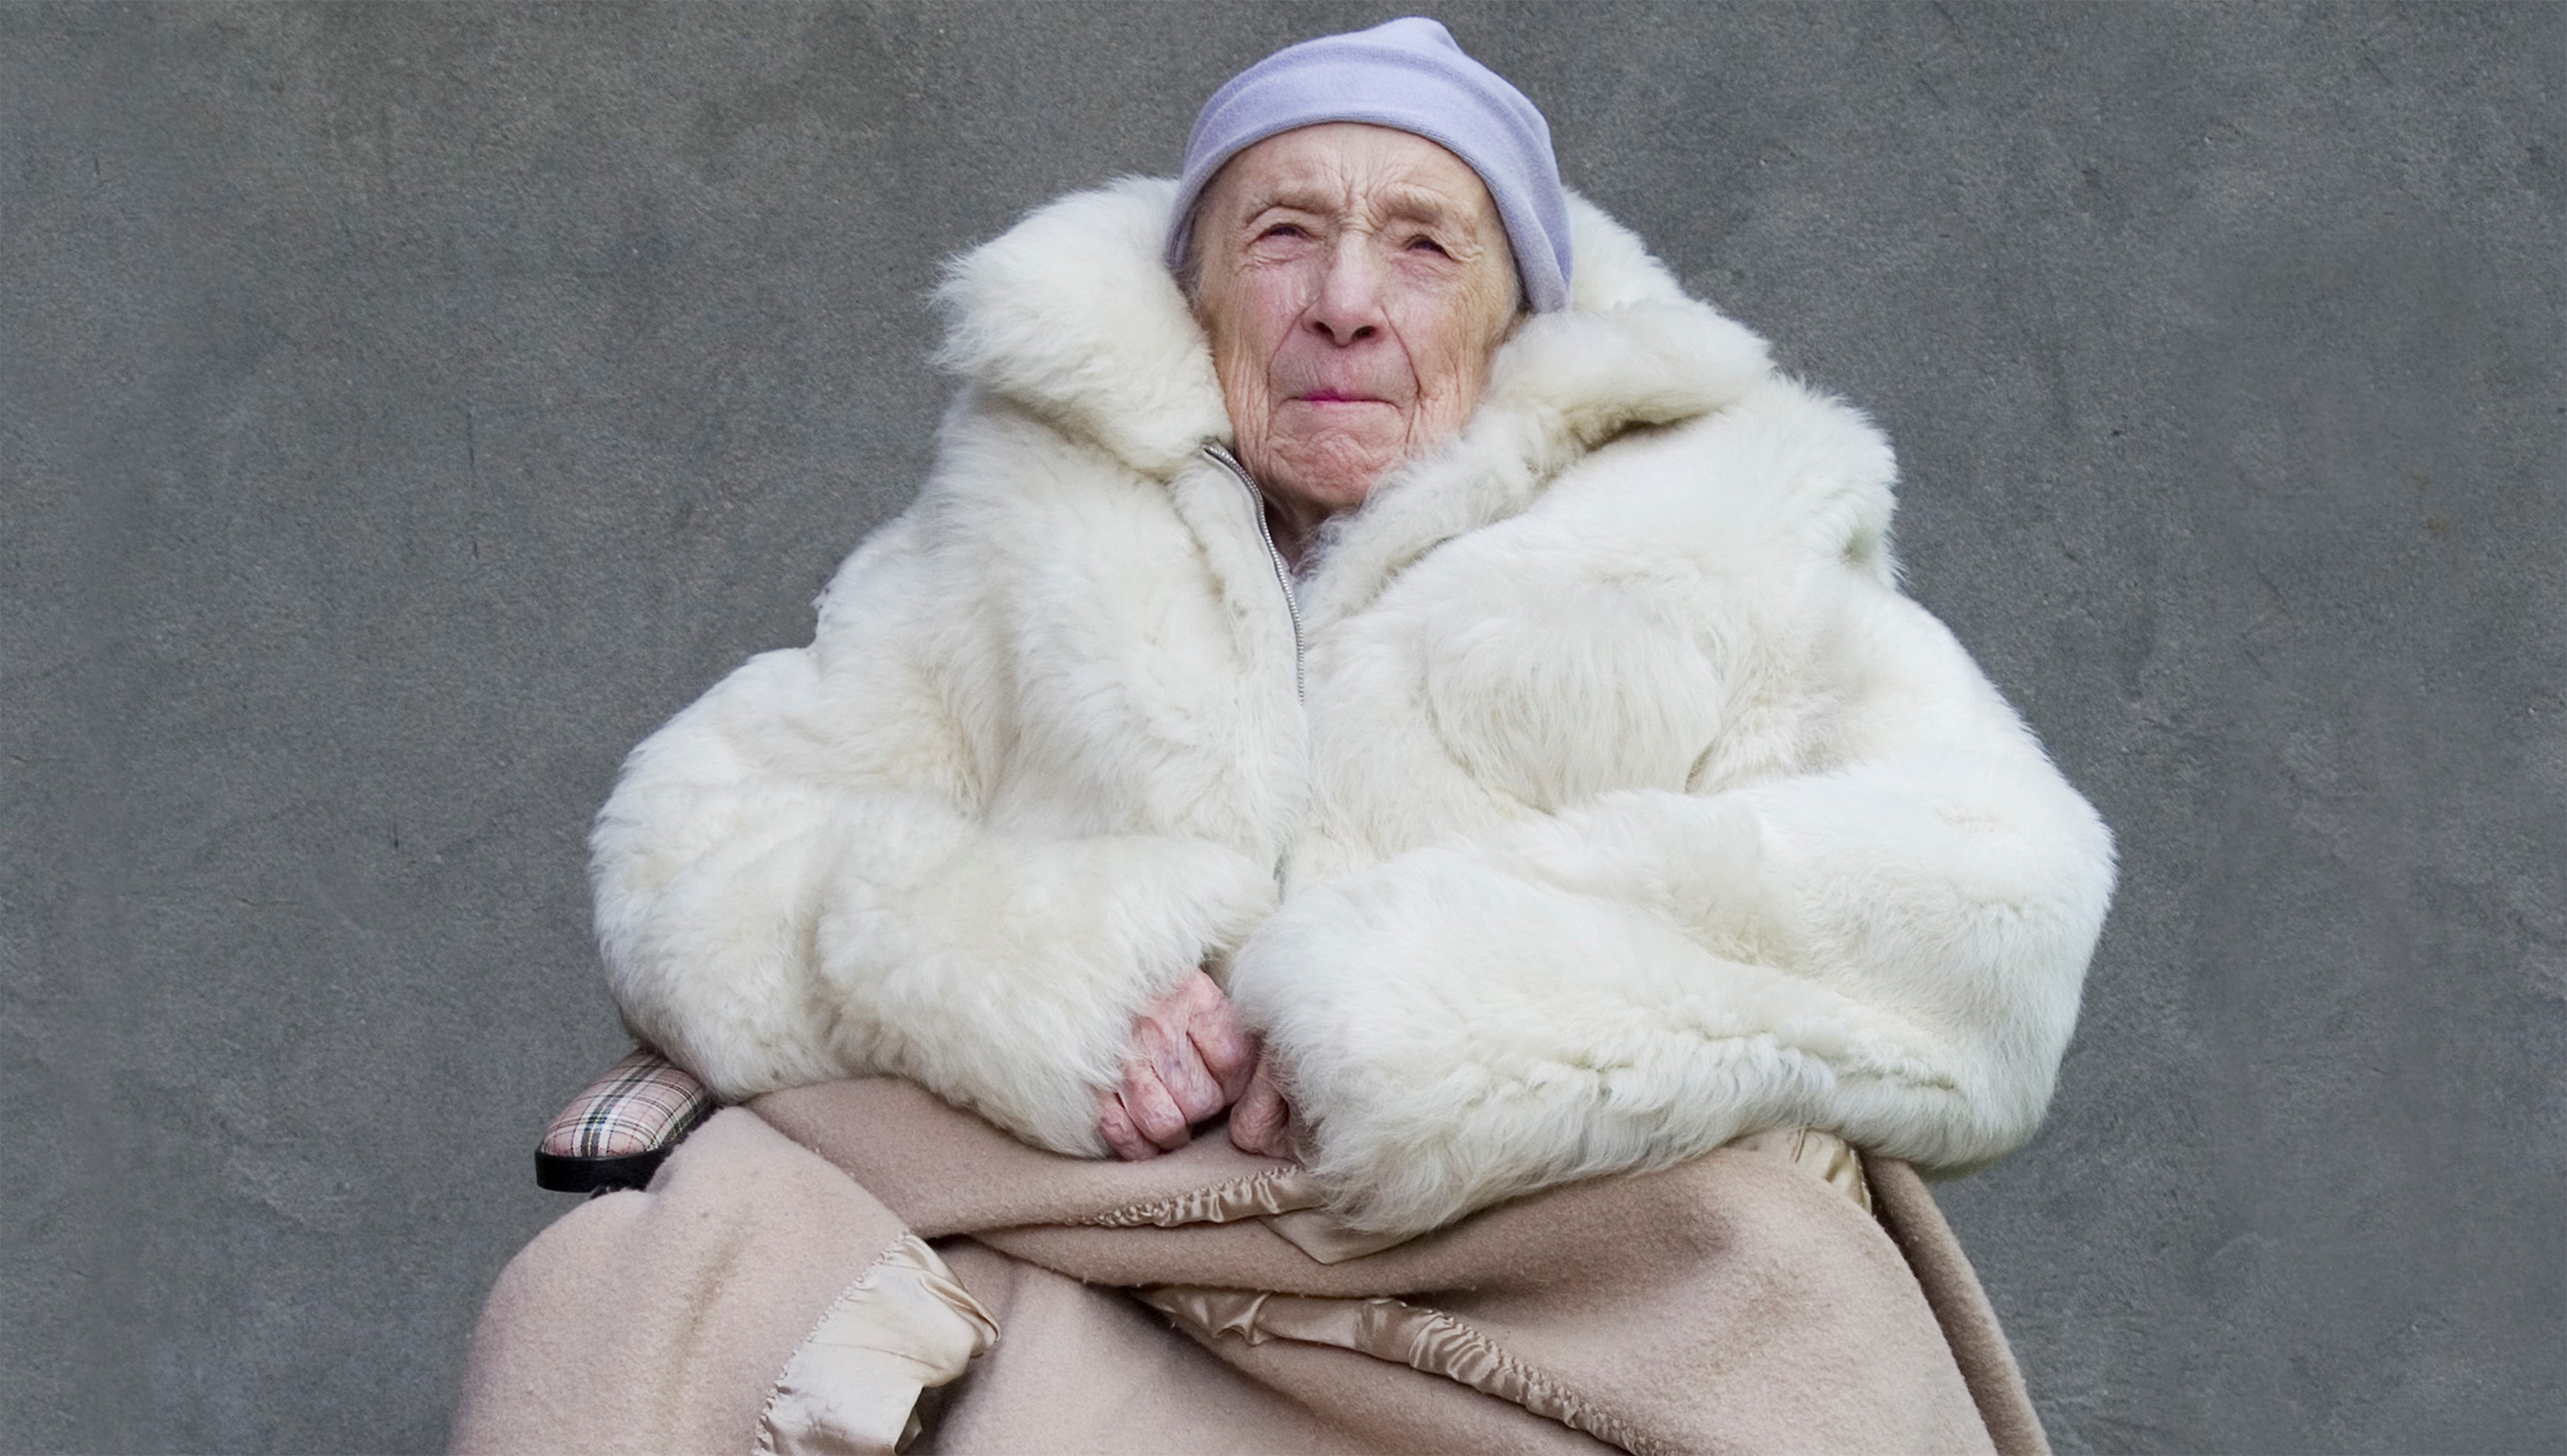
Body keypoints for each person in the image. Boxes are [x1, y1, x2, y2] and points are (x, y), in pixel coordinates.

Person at [586, 15, 2113, 1241]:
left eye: (1426, 246)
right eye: (1284, 236)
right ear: (1199, 298)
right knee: (625, 1298)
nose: (1346, 302)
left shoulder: (1720, 528)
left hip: (1546, 1269)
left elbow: (1995, 906)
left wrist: (1417, 1013)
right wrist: (1052, 980)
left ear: (1522, 314)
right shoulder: (1021, 527)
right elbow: (691, 850)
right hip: (1081, 1260)